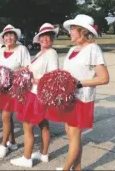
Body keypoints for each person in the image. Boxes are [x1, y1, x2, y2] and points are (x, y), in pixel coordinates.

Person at [46, 14, 109, 171]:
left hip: (82, 99)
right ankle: (77, 168)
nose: (70, 32)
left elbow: (104, 78)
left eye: (73, 29)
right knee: (71, 134)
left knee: (74, 135)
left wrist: (79, 83)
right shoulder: (72, 49)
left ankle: (67, 168)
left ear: (83, 31)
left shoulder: (93, 49)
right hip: (69, 98)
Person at [10, 23, 59, 167]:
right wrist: (25, 70)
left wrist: (34, 79)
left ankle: (26, 158)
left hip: (38, 94)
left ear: (52, 39)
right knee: (43, 123)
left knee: (27, 125)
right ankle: (44, 154)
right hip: (34, 92)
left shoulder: (51, 53)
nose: (45, 39)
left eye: (48, 37)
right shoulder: (40, 53)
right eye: (43, 36)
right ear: (39, 39)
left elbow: (53, 76)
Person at [0, 24, 31, 159]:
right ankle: (12, 142)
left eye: (11, 35)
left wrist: (9, 73)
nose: (9, 38)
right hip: (1, 88)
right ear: (3, 38)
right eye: (6, 35)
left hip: (13, 88)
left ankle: (3, 145)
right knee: (5, 117)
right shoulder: (2, 51)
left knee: (5, 117)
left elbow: (27, 68)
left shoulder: (22, 49)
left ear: (16, 37)